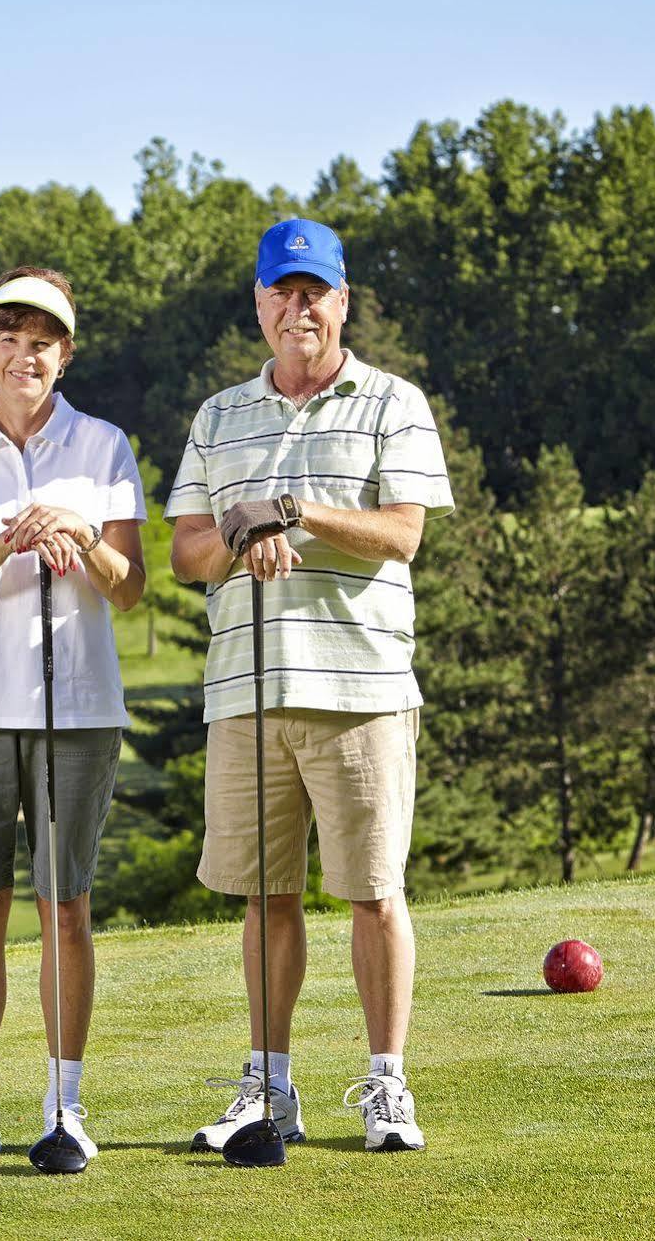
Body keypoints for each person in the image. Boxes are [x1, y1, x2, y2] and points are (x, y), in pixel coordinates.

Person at [165, 219, 453, 1152]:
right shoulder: (217, 417)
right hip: (245, 690)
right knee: (264, 897)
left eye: (314, 292)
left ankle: (385, 1087)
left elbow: (402, 533)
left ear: (342, 301)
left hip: (361, 684)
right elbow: (185, 556)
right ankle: (268, 1087)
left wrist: (289, 509)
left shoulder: (391, 403)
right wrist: (241, 534)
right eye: (280, 292)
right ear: (257, 303)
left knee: (372, 892)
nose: (298, 308)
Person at [0, 266, 148, 1165]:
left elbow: (131, 591)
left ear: (64, 353)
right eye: (6, 338)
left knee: (66, 907)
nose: (23, 354)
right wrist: (5, 540)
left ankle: (62, 1106)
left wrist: (78, 536)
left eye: (40, 340)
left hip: (77, 707)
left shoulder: (103, 446)